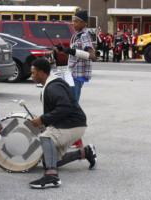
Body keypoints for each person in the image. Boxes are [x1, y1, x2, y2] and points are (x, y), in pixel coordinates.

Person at [29, 58, 97, 189]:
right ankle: (86, 152)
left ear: (42, 73)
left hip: (73, 124)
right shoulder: (52, 84)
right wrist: (43, 119)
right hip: (72, 123)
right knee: (50, 160)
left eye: (34, 73)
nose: (32, 76)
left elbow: (65, 107)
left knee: (46, 137)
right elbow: (59, 109)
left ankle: (51, 177)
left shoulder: (53, 87)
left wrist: (43, 119)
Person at [55, 10, 96, 103]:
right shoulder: (76, 35)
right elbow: (74, 54)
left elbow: (92, 56)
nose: (73, 23)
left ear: (84, 23)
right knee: (70, 101)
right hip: (72, 72)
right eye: (73, 21)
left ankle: (75, 117)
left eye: (76, 21)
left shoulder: (84, 35)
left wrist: (71, 51)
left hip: (78, 74)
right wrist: (63, 49)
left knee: (73, 103)